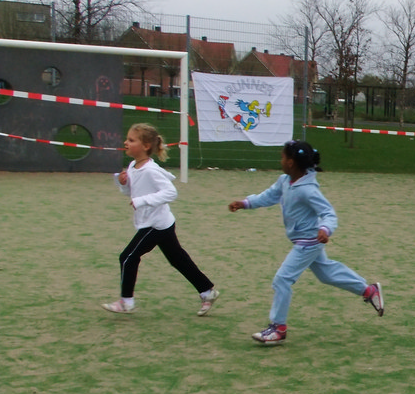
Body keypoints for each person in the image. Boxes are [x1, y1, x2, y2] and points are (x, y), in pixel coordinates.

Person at [228, 140, 384, 345]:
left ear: (291, 162)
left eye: (282, 157)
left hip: (309, 241)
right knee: (326, 274)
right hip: (304, 240)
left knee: (282, 279)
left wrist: (325, 229)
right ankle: (369, 291)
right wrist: (246, 203)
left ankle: (278, 328)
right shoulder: (284, 181)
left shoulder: (308, 190)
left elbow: (328, 213)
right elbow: (269, 196)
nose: (280, 160)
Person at [102, 122, 219, 316]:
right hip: (161, 223)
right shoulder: (132, 166)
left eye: (131, 140)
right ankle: (207, 292)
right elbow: (131, 193)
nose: (126, 142)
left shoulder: (151, 170)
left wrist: (142, 201)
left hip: (155, 225)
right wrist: (122, 183)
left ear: (146, 146)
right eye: (127, 139)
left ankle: (126, 302)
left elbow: (171, 192)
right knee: (178, 259)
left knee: (127, 257)